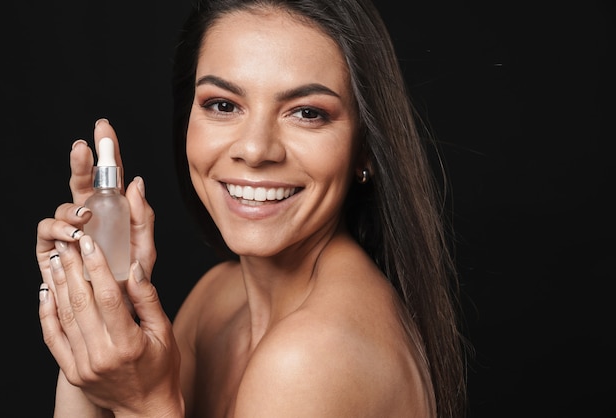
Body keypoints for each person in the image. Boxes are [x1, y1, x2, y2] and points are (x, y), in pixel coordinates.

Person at [36, 0, 468, 416]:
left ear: (366, 150)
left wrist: (144, 404)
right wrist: (96, 313)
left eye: (307, 113)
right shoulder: (216, 300)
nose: (256, 149)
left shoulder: (310, 358)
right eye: (223, 105)